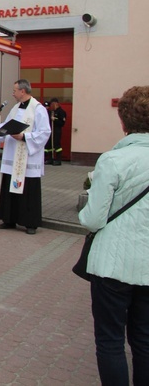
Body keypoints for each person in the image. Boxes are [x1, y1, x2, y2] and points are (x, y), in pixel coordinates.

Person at [78, 85, 149, 385]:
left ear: (122, 120)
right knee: (144, 341)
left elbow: (93, 219)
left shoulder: (112, 160)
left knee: (110, 341)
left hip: (112, 267)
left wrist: (83, 212)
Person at [0, 79, 50, 235]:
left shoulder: (38, 109)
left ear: (23, 91)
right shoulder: (15, 108)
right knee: (10, 188)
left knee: (28, 191)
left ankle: (30, 223)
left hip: (27, 157)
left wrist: (24, 137)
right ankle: (9, 219)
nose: (12, 93)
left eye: (14, 90)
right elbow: (7, 126)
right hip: (12, 156)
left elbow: (45, 132)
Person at [44, 97, 67, 165]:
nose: (51, 106)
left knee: (57, 145)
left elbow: (62, 123)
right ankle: (50, 159)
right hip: (51, 131)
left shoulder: (61, 112)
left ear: (56, 104)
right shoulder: (52, 112)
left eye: (52, 104)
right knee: (49, 145)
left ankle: (58, 160)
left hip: (56, 131)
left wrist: (55, 119)